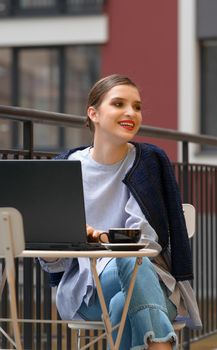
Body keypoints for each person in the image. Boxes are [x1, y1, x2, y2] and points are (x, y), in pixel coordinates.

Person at [39, 74, 202, 350]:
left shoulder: (148, 161)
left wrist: (99, 238)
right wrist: (63, 240)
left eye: (136, 107)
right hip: (86, 290)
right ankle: (160, 345)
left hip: (152, 278)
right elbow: (51, 260)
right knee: (128, 263)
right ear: (94, 114)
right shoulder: (66, 165)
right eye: (119, 104)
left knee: (123, 294)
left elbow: (144, 243)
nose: (131, 113)